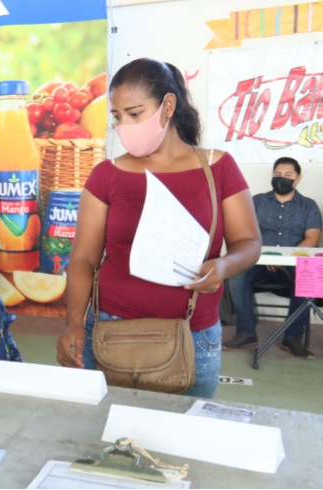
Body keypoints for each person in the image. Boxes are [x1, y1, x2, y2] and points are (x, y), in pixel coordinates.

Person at [56, 58, 262, 398]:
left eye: (135, 114)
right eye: (117, 117)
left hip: (193, 334)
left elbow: (249, 242)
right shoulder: (106, 175)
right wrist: (74, 323)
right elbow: (82, 259)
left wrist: (223, 266)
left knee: (184, 435)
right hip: (110, 328)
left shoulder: (218, 168)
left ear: (168, 105)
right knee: (103, 436)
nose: (124, 125)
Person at [224, 157, 322, 358]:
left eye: (287, 175)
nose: (282, 179)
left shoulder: (309, 206)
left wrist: (283, 258)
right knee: (236, 276)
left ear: (298, 178)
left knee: (309, 280)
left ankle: (292, 338)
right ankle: (246, 333)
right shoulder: (257, 202)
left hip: (293, 267)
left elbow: (312, 239)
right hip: (259, 264)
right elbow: (244, 233)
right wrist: (266, 257)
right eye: (277, 175)